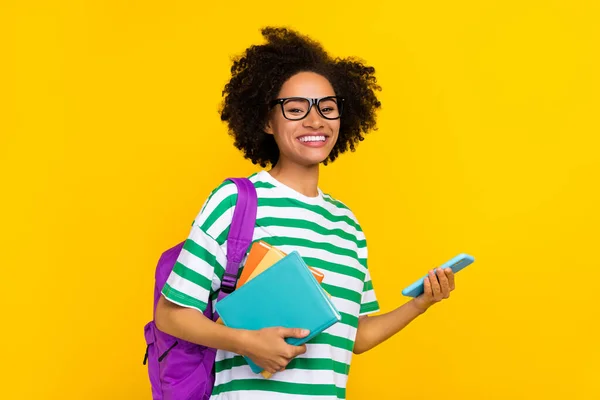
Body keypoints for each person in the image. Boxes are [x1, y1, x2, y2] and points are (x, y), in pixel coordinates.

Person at [154, 26, 456, 399]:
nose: (315, 121)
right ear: (267, 121)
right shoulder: (236, 201)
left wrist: (421, 303)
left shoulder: (348, 225)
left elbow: (354, 335)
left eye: (327, 109)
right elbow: (170, 314)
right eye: (296, 109)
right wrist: (246, 341)